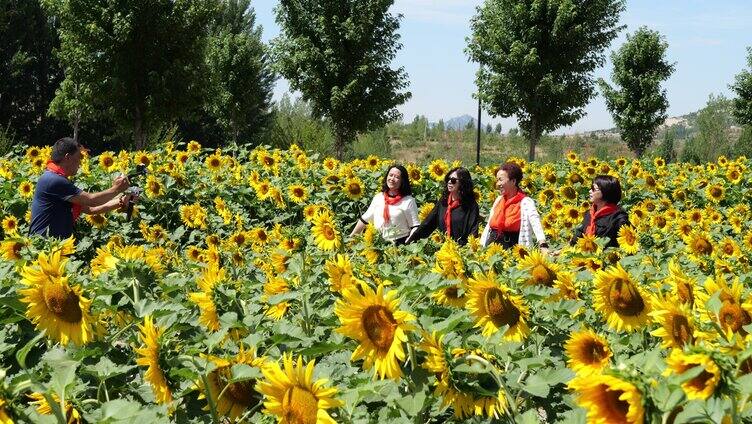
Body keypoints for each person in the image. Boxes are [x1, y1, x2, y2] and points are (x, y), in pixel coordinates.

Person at [29, 137, 132, 239]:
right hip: (44, 248)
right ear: (68, 157)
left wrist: (121, 201)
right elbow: (91, 200)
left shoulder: (54, 177)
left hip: (50, 247)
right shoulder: (54, 180)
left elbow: (91, 209)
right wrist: (117, 189)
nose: (80, 162)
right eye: (79, 157)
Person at [480, 162, 548, 251]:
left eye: (501, 180)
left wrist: (543, 245)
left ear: (513, 181)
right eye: (497, 180)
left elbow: (536, 223)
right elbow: (489, 225)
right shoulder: (498, 200)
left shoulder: (526, 202)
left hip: (511, 247)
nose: (497, 184)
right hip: (491, 246)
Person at [407, 167, 480, 246]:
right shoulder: (443, 202)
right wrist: (410, 242)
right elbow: (427, 224)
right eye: (448, 179)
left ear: (462, 183)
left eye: (453, 180)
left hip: (461, 251)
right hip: (444, 249)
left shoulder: (470, 205)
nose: (449, 182)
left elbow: (473, 232)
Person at [350, 165, 419, 245]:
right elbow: (364, 220)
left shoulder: (408, 201)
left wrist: (407, 244)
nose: (392, 179)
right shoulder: (379, 197)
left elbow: (415, 226)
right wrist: (351, 239)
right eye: (390, 175)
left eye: (397, 177)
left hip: (399, 245)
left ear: (402, 181)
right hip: (377, 244)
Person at [570, 175, 629, 248]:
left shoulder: (618, 218)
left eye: (593, 189)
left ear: (606, 191)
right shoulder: (589, 213)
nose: (590, 191)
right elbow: (579, 235)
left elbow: (627, 242)